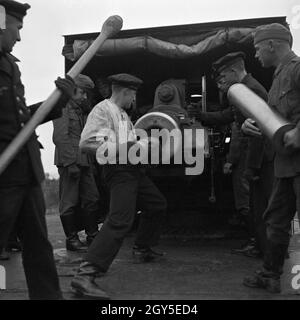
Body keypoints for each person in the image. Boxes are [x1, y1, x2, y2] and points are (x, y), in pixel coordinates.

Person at [0, 0, 75, 299]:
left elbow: (19, 121)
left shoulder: (7, 64)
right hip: (4, 175)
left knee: (38, 246)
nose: (19, 37)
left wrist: (56, 102)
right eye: (17, 28)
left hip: (25, 169)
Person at [70, 73, 167, 299]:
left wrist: (144, 147)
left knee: (157, 204)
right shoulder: (103, 110)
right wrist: (131, 145)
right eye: (133, 94)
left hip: (133, 169)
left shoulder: (123, 114)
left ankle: (142, 248)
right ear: (125, 92)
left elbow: (130, 145)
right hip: (118, 170)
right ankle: (85, 275)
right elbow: (87, 143)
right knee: (120, 219)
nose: (133, 99)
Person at [243, 23, 300, 293]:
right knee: (275, 221)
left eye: (257, 48)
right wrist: (253, 126)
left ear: (271, 45)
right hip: (285, 166)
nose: (256, 55)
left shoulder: (297, 68)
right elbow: (278, 123)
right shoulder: (278, 76)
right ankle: (270, 275)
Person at [198, 52, 270, 256]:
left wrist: (252, 167)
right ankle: (258, 243)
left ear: (233, 70)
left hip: (251, 154)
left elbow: (255, 131)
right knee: (251, 202)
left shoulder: (250, 89)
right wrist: (203, 116)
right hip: (250, 153)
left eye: (223, 76)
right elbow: (231, 114)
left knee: (249, 203)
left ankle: (260, 245)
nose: (223, 81)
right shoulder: (243, 89)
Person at [53, 74, 100, 251]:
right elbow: (60, 137)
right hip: (70, 162)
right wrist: (70, 163)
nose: (85, 97)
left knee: (92, 198)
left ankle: (92, 235)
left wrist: (90, 164)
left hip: (84, 162)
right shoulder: (62, 108)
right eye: (82, 92)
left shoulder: (80, 110)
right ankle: (71, 240)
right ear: (72, 91)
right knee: (69, 201)